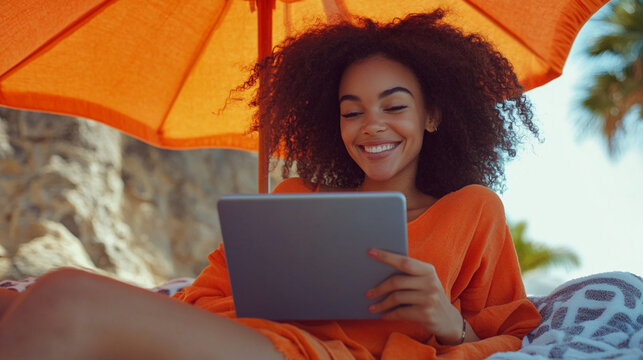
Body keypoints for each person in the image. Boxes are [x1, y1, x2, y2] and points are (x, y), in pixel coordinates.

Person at [0, 10, 541, 360]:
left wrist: (449, 325)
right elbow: (204, 298)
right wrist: (275, 298)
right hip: (253, 343)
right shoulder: (295, 201)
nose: (371, 125)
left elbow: (514, 337)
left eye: (394, 106)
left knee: (62, 294)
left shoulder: (472, 212)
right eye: (351, 113)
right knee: (9, 301)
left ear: (433, 116)